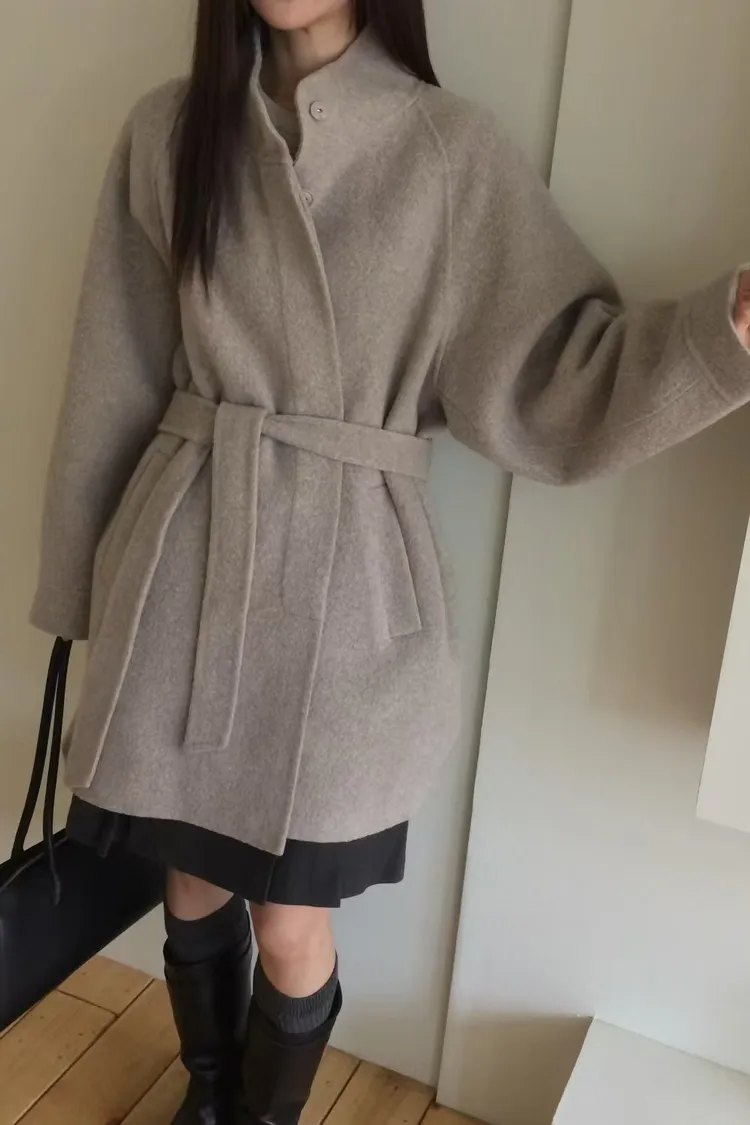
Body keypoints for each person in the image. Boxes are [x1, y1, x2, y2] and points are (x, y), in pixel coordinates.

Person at [29, 0, 750, 1122]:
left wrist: (723, 334)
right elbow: (110, 374)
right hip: (180, 572)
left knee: (291, 918)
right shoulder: (172, 130)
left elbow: (556, 373)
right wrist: (82, 590)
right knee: (191, 875)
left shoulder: (450, 150)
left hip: (348, 603)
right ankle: (208, 1095)